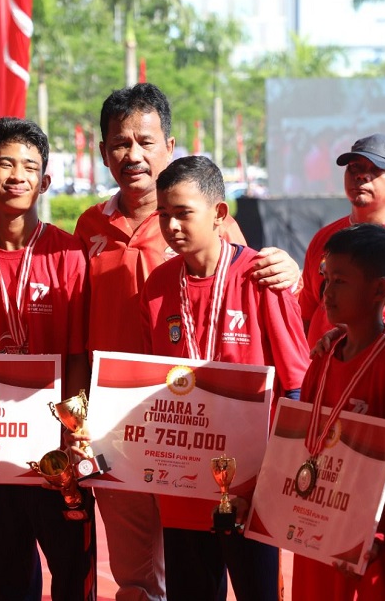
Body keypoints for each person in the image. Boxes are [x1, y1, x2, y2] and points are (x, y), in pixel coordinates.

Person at [0, 82, 301, 601]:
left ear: (169, 146)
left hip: (194, 425)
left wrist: (288, 268)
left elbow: (252, 279)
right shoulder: (88, 226)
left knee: (225, 563)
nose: (132, 154)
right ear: (104, 153)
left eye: (145, 141)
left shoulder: (206, 223)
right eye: (119, 143)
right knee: (139, 574)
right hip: (116, 423)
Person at [140, 155, 310, 600]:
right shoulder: (157, 285)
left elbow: (296, 382)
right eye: (163, 214)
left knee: (258, 591)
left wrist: (280, 474)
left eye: (183, 213)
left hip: (252, 484)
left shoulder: (261, 277)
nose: (172, 226)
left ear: (218, 214)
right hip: (182, 482)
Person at [0, 117, 96, 600]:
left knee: (73, 576)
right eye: (5, 164)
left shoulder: (69, 255)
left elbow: (77, 355)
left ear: (45, 181)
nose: (17, 175)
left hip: (54, 450)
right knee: (4, 578)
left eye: (30, 167)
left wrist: (69, 439)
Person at [291, 223, 385, 600]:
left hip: (373, 540)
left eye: (341, 282)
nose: (326, 292)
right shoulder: (324, 357)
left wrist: (380, 533)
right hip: (317, 525)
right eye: (326, 278)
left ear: (380, 290)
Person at [299, 133, 385, 346]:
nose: (361, 176)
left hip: (382, 373)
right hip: (325, 370)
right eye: (354, 168)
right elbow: (307, 313)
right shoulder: (326, 237)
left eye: (375, 170)